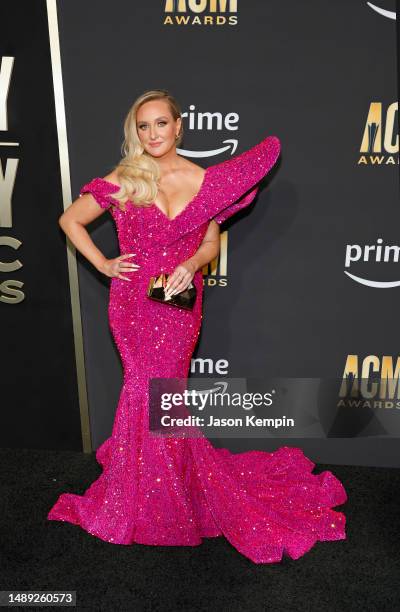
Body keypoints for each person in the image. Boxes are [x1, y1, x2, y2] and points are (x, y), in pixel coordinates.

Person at [48, 89, 347, 564]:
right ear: (135, 132)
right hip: (132, 303)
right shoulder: (127, 177)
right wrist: (104, 264)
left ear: (178, 126)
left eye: (160, 124)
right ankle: (145, 495)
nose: (153, 134)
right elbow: (70, 219)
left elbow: (210, 243)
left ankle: (163, 494)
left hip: (178, 300)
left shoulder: (207, 181)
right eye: (143, 127)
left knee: (164, 394)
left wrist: (192, 263)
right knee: (143, 390)